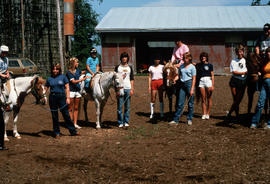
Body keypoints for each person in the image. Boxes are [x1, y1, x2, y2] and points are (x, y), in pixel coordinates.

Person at [45, 63, 79, 138]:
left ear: (59, 70)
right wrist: (43, 97)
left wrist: (68, 98)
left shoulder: (63, 77)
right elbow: (46, 88)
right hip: (52, 97)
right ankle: (57, 132)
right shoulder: (49, 79)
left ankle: (73, 131)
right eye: (53, 69)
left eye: (56, 69)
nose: (55, 71)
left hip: (62, 97)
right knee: (54, 116)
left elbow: (67, 88)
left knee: (66, 114)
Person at [169, 52, 196, 125]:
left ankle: (189, 119)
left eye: (186, 58)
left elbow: (194, 79)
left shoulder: (192, 67)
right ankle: (176, 120)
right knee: (180, 103)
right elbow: (179, 76)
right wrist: (175, 79)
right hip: (182, 84)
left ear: (189, 58)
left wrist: (192, 89)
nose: (185, 59)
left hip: (189, 84)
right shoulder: (181, 66)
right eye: (184, 58)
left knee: (190, 104)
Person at [66, 57, 89, 129]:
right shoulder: (69, 72)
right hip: (71, 91)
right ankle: (70, 123)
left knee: (76, 108)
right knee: (70, 109)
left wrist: (89, 68)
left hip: (77, 91)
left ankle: (75, 123)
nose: (78, 63)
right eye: (77, 62)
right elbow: (73, 82)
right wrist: (83, 79)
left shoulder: (78, 71)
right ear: (73, 63)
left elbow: (82, 72)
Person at [227, 45, 247, 121]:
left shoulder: (245, 60)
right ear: (236, 52)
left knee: (238, 99)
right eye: (238, 52)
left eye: (241, 51)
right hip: (234, 81)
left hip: (242, 81)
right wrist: (244, 72)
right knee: (235, 99)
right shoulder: (233, 61)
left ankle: (230, 113)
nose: (240, 53)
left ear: (243, 52)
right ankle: (237, 115)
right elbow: (234, 72)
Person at [251, 47, 270, 129]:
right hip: (264, 83)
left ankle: (269, 124)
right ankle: (255, 122)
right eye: (268, 52)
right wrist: (259, 73)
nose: (269, 54)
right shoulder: (265, 62)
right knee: (260, 103)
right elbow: (261, 71)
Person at [115, 52, 134, 128]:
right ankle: (120, 122)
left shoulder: (130, 68)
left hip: (128, 88)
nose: (124, 58)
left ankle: (126, 121)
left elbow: (132, 79)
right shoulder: (117, 67)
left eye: (125, 57)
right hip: (120, 89)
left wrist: (132, 89)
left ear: (127, 58)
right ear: (121, 58)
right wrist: (116, 90)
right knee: (119, 107)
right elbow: (115, 79)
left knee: (127, 107)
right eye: (123, 57)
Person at [196, 52, 214, 120]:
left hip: (208, 81)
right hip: (201, 82)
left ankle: (208, 113)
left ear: (206, 57)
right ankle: (203, 113)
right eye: (202, 56)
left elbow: (212, 75)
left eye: (204, 56)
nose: (203, 57)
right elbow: (192, 64)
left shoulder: (210, 65)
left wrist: (212, 85)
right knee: (203, 99)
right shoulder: (198, 65)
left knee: (209, 98)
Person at [0, 45, 11, 111]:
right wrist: (3, 75)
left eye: (6, 52)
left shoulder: (6, 59)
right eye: (3, 52)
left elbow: (7, 69)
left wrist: (7, 73)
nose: (5, 54)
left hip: (5, 75)